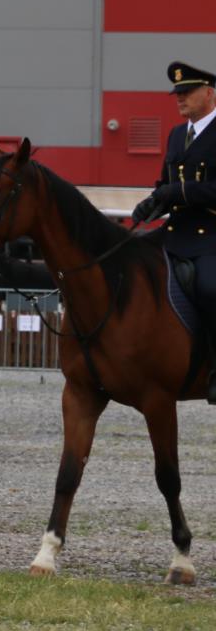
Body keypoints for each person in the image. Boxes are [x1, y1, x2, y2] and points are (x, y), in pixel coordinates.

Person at [133, 61, 216, 402]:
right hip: (174, 235)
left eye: (187, 92)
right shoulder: (176, 134)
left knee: (211, 289)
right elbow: (166, 183)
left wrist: (176, 193)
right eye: (177, 94)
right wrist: (152, 202)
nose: (179, 99)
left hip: (210, 237)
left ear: (209, 92)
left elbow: (189, 189)